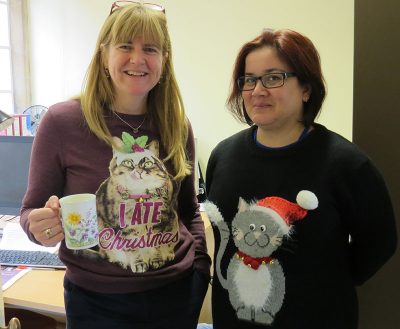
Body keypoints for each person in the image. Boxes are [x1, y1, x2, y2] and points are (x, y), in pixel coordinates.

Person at [20, 2, 211, 329]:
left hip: (176, 295)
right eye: (125, 46)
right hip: (95, 303)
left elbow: (188, 210)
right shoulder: (63, 122)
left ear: (164, 61)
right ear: (103, 54)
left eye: (150, 48)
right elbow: (31, 211)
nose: (138, 59)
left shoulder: (176, 125)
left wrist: (200, 271)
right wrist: (39, 228)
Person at [205, 28, 397, 329]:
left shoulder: (346, 164)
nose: (257, 91)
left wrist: (328, 281)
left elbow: (381, 241)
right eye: (249, 80)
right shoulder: (224, 156)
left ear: (306, 88)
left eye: (273, 77)